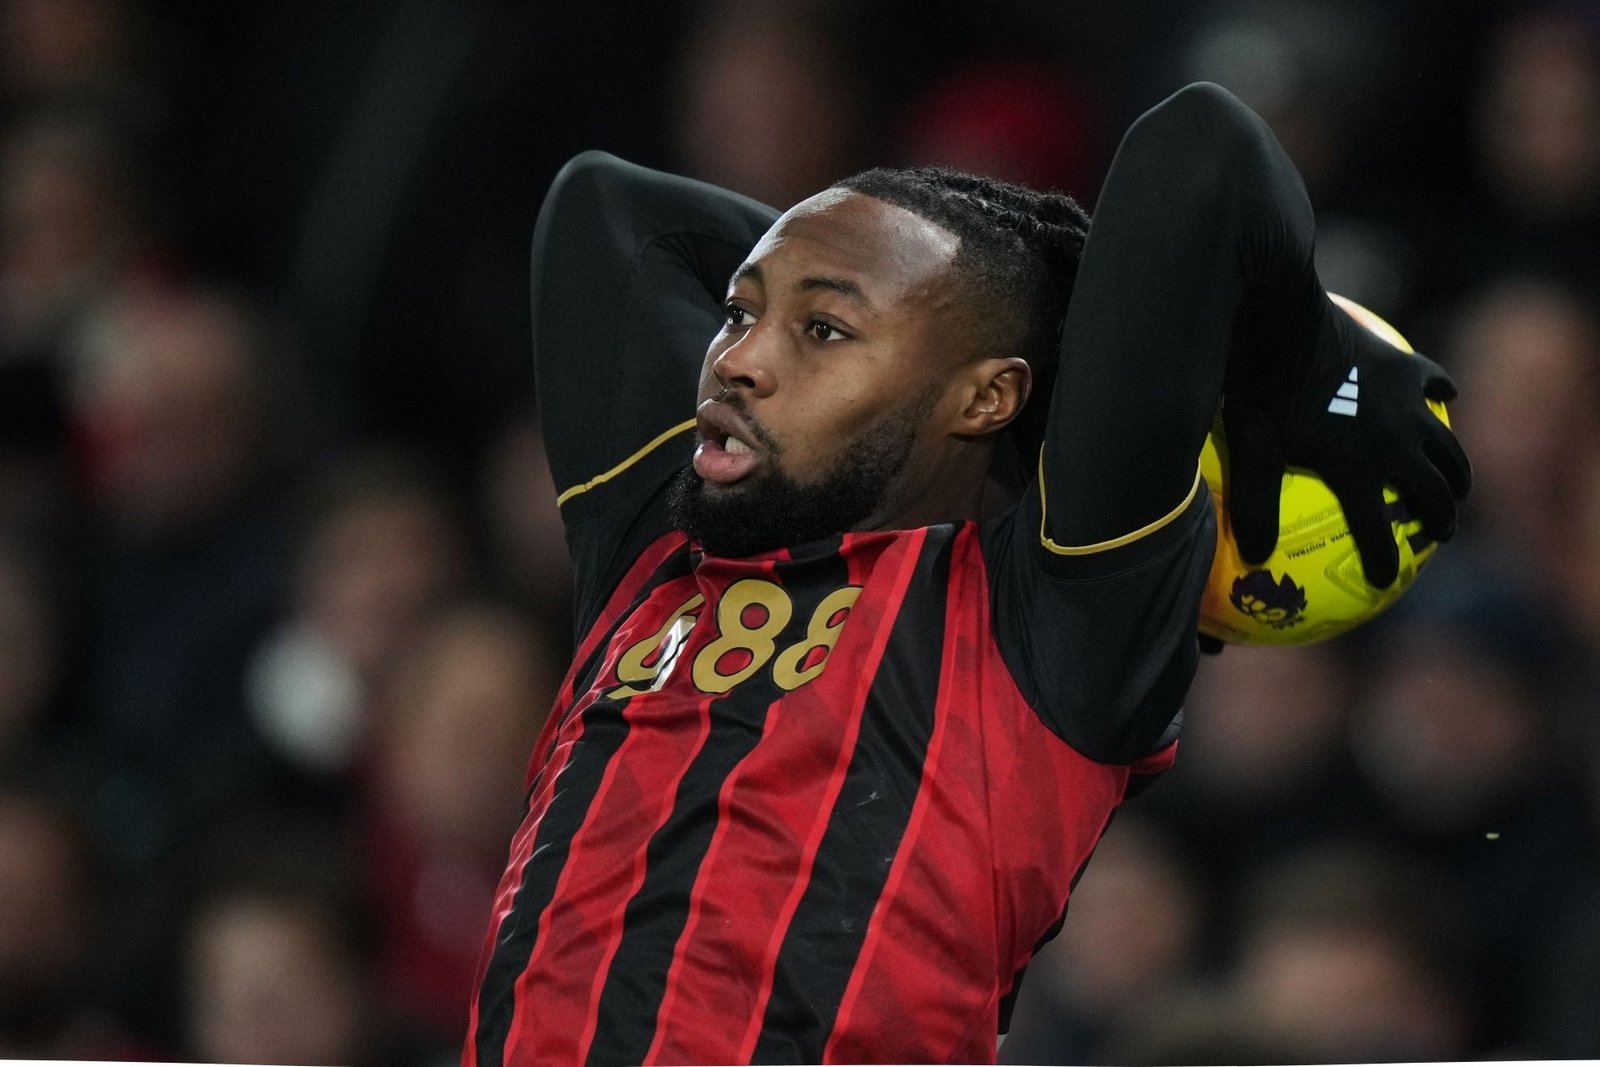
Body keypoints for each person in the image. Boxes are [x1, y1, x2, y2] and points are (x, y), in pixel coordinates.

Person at [465, 81, 1469, 1065]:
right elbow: (606, 202)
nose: (737, 360)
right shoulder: (660, 547)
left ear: (987, 397)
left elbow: (1197, 146)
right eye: (737, 313)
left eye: (824, 330)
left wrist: (1301, 350)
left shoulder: (1048, 619)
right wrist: (1000, 290)